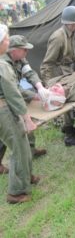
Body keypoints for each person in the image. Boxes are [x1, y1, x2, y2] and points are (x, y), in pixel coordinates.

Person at [40, 5, 75, 146]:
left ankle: (68, 127)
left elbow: (73, 55)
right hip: (55, 74)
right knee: (65, 102)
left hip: (65, 71)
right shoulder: (58, 37)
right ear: (71, 23)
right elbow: (47, 63)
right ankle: (69, 137)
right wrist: (50, 85)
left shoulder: (72, 34)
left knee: (70, 101)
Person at [0, 24, 39, 204]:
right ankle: (15, 193)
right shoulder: (3, 65)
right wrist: (27, 118)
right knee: (19, 147)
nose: (8, 41)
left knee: (21, 145)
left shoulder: (7, 62)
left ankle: (25, 177)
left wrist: (37, 94)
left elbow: (16, 89)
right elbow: (13, 93)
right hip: (3, 110)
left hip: (5, 107)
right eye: (6, 38)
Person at [0, 35, 48, 170]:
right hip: (4, 101)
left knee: (27, 121)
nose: (27, 52)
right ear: (13, 50)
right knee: (8, 133)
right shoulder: (4, 64)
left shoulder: (20, 58)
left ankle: (31, 150)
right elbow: (14, 89)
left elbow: (29, 72)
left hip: (12, 96)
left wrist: (40, 87)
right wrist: (33, 95)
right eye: (24, 49)